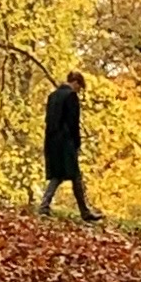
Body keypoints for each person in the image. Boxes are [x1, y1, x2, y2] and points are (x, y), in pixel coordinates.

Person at [40, 70, 96, 220]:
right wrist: (77, 143)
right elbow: (73, 122)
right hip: (66, 142)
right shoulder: (71, 96)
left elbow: (49, 120)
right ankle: (85, 212)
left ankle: (44, 205)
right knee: (75, 175)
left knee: (58, 175)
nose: (79, 90)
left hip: (51, 141)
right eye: (79, 86)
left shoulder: (52, 96)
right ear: (75, 83)